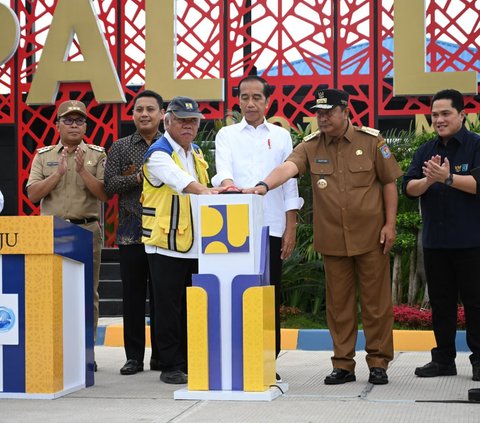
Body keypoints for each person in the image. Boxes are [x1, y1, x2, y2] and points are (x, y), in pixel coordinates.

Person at [244, 88, 403, 385]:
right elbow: (288, 167)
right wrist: (263, 186)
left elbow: (389, 183)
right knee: (339, 306)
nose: (323, 118)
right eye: (319, 113)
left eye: (329, 112)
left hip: (371, 238)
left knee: (376, 304)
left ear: (346, 110)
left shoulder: (371, 141)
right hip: (332, 240)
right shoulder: (311, 146)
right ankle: (343, 365)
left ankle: (378, 362)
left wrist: (390, 224)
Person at [211, 75, 303, 381]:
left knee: (268, 295)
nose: (250, 103)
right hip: (232, 228)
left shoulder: (280, 137)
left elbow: (290, 184)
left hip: (271, 226)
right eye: (244, 97)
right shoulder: (226, 134)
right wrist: (231, 189)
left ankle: (268, 362)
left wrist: (291, 226)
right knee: (238, 294)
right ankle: (238, 359)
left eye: (257, 98)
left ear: (267, 101)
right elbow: (222, 172)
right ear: (237, 100)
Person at [142, 96, 222, 384]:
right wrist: (208, 192)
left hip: (195, 244)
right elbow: (181, 182)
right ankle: (170, 365)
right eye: (182, 120)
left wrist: (224, 190)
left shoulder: (196, 151)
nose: (188, 126)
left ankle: (189, 360)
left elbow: (206, 183)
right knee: (168, 308)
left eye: (193, 121)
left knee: (192, 306)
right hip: (165, 243)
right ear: (168, 121)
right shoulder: (158, 153)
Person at [403, 89, 480, 381]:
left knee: (476, 304)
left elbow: (477, 183)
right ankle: (444, 360)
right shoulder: (426, 150)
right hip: (436, 242)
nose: (439, 119)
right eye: (434, 115)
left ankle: (479, 361)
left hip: (473, 241)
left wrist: (446, 178)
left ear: (462, 114)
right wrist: (429, 180)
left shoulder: (475, 146)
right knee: (441, 303)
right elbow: (409, 188)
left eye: (445, 113)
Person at [26, 99, 108, 371]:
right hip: (53, 231)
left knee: (87, 293)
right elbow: (33, 194)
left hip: (87, 229)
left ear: (86, 125)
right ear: (58, 124)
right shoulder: (44, 155)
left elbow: (104, 194)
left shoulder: (97, 155)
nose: (74, 124)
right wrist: (58, 174)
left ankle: (86, 352)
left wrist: (83, 170)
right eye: (69, 120)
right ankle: (52, 350)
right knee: (50, 292)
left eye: (80, 120)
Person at [104, 90, 165, 375]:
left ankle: (162, 356)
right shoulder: (120, 146)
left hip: (166, 232)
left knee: (163, 296)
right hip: (131, 232)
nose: (144, 114)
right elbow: (109, 185)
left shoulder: (171, 145)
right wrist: (138, 177)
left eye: (150, 109)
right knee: (133, 296)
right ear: (132, 115)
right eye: (139, 109)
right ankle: (134, 358)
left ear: (162, 114)